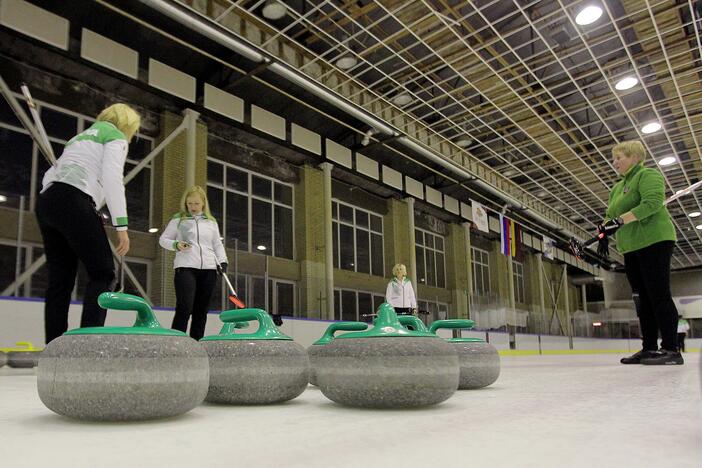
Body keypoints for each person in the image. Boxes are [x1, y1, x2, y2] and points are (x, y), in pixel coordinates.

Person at [36, 103, 140, 343]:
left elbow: (51, 175)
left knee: (60, 280)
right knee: (103, 273)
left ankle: (54, 348)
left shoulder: (77, 139)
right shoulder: (114, 136)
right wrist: (122, 227)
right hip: (75, 199)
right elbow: (113, 178)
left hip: (47, 200)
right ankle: (87, 344)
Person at [600, 141, 683, 365]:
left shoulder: (648, 175)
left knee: (658, 294)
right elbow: (610, 215)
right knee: (642, 299)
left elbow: (653, 203)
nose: (614, 162)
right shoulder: (617, 188)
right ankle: (649, 348)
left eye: (619, 157)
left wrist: (620, 220)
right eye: (614, 158)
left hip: (654, 240)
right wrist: (603, 229)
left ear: (635, 157)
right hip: (631, 246)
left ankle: (671, 349)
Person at [159, 186, 228, 340]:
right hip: (185, 267)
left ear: (203, 203)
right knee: (185, 307)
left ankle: (197, 343)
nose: (193, 207)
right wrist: (176, 245)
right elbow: (163, 239)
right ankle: (177, 342)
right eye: (189, 203)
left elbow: (217, 244)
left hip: (209, 270)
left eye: (196, 203)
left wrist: (223, 261)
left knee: (201, 310)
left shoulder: (211, 222)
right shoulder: (179, 219)